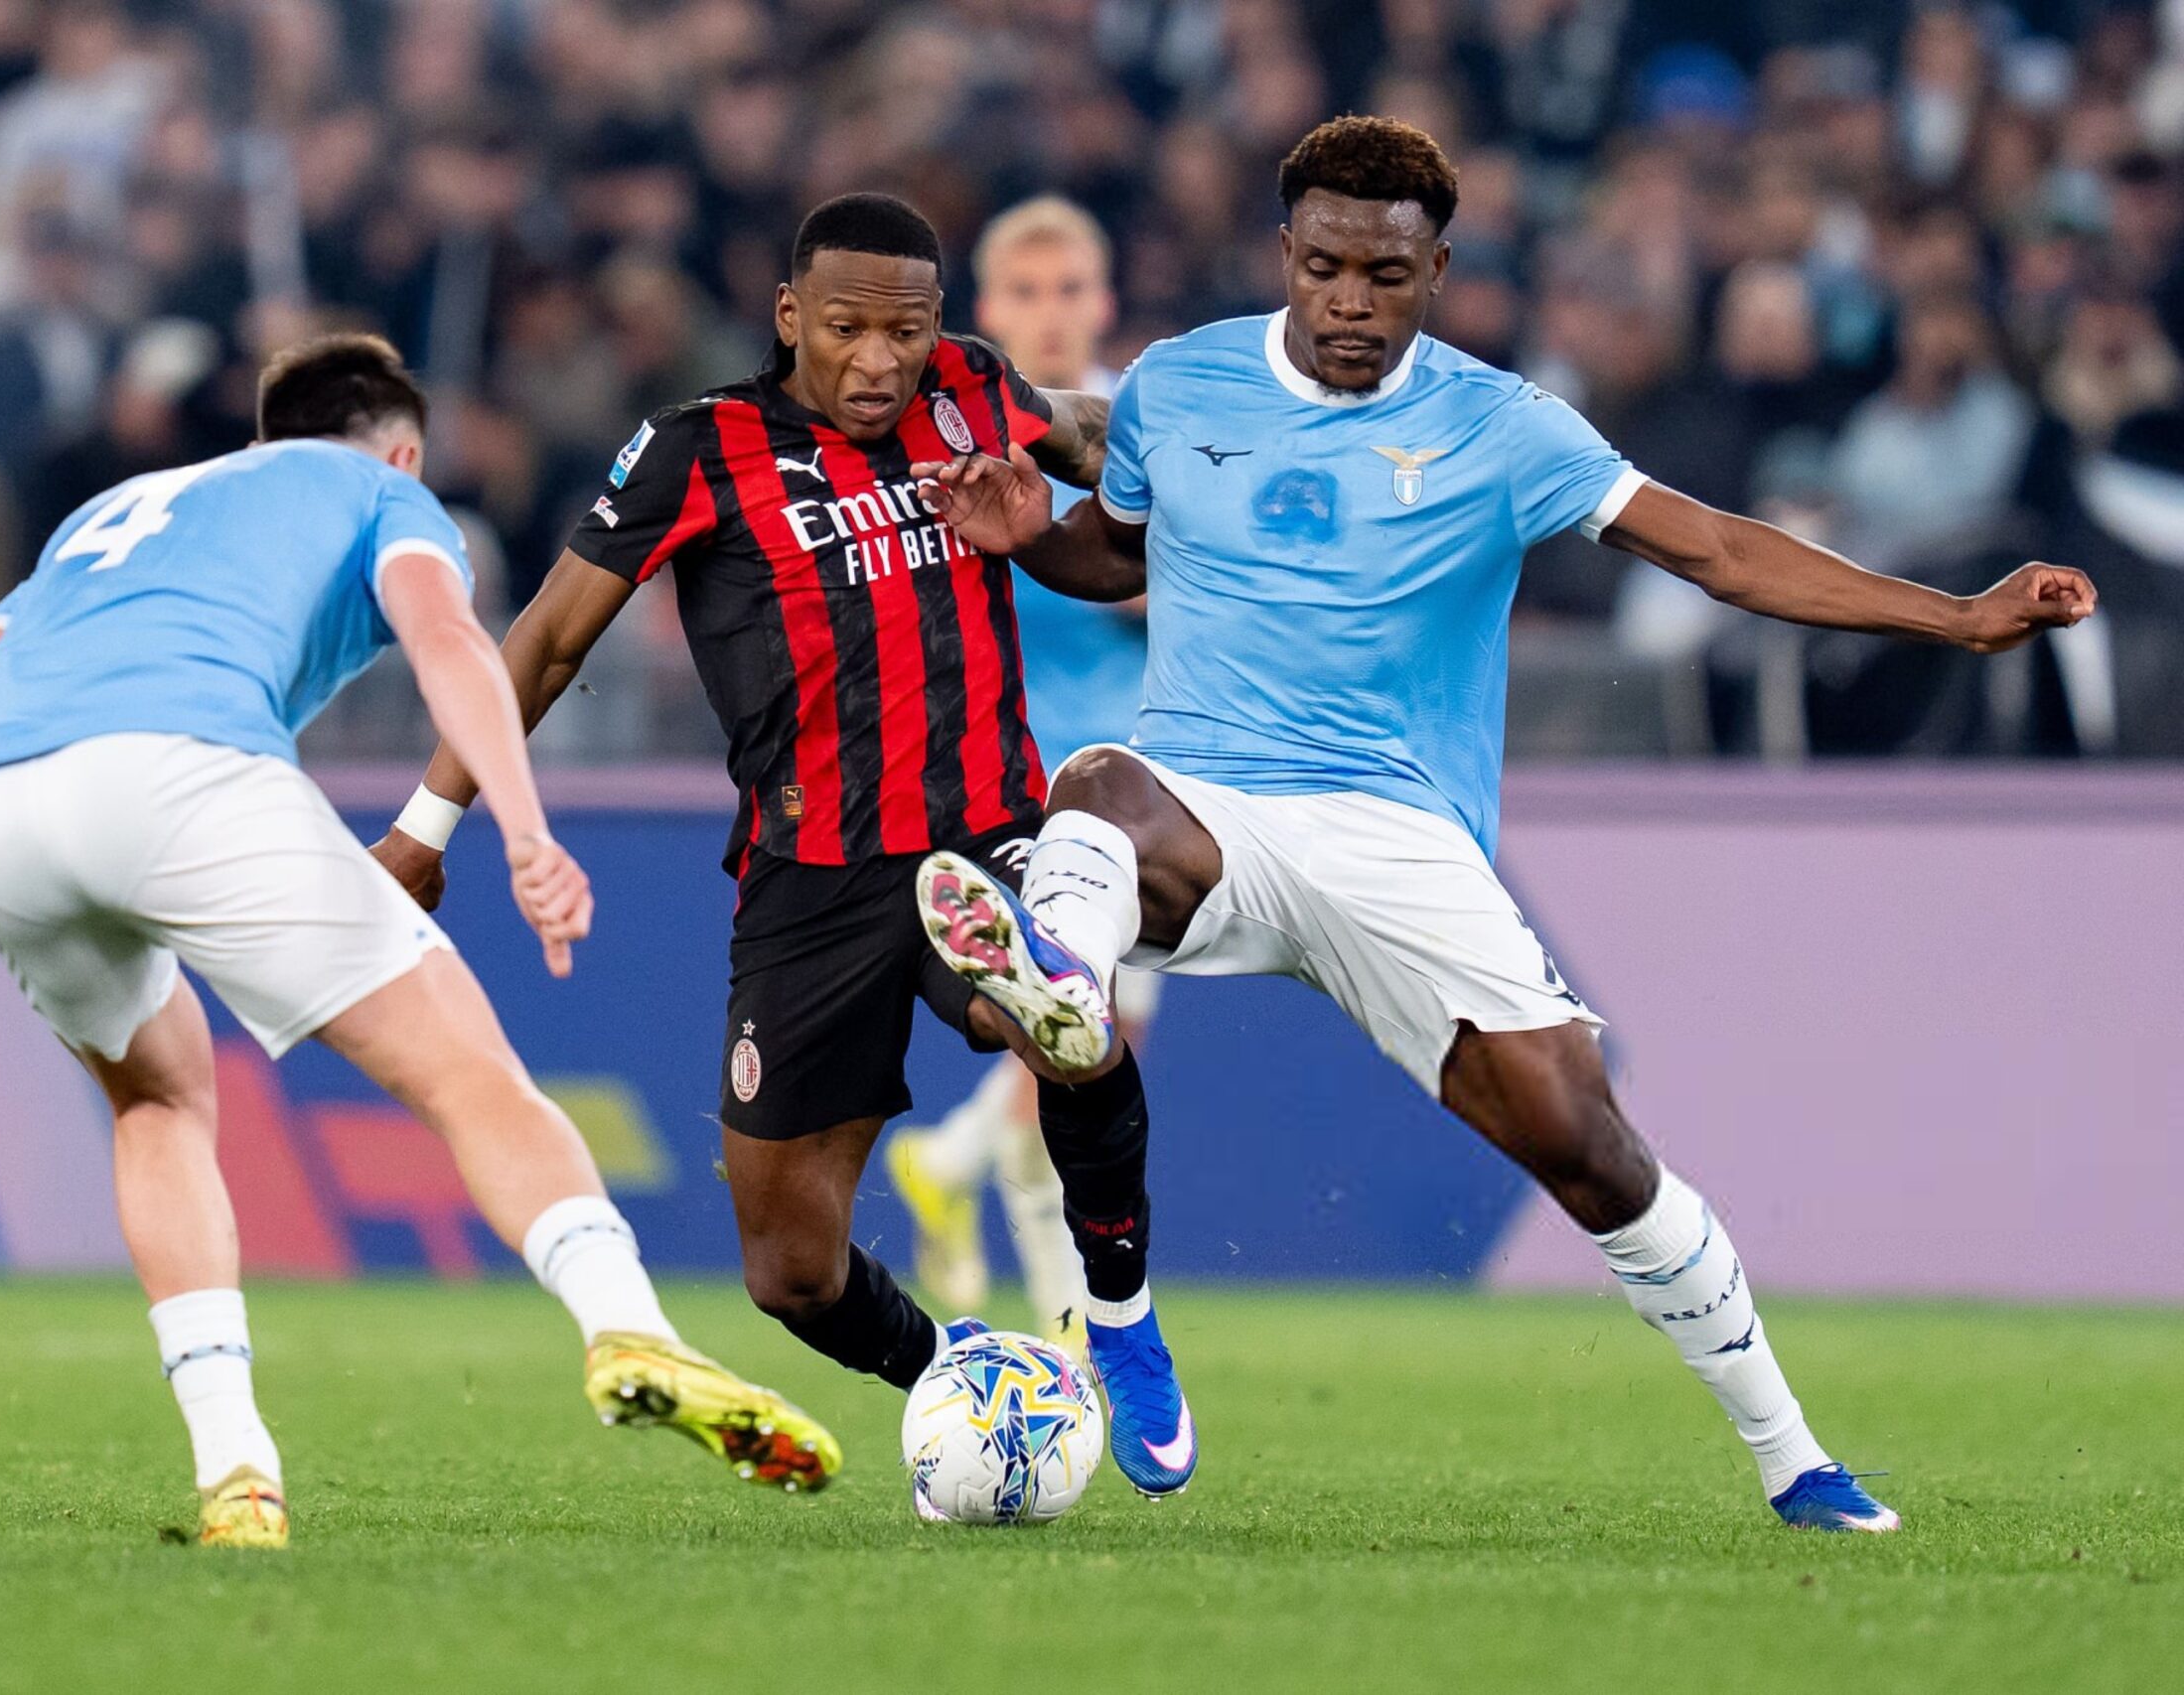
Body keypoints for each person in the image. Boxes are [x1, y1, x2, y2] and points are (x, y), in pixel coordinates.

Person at [910, 116, 2099, 1530]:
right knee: (1095, 785)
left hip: (1402, 839)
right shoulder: (1182, 381)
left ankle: (1796, 1456)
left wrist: (1955, 615)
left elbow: (1716, 548)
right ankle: (1104, 1234)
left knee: (1591, 1149)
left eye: (1389, 275)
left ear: (1440, 269)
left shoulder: (1502, 424)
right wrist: (1029, 529)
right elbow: (1120, 544)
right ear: (1286, 255)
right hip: (1207, 806)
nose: (1355, 301)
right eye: (1330, 266)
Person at [0, 334, 837, 1550]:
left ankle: (236, 1470)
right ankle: (629, 1330)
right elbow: (452, 644)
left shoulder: (107, 516)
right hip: (182, 769)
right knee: (469, 1077)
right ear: (401, 447)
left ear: (261, 439)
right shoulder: (384, 493)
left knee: (156, 1103)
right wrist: (519, 823)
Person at [368, 197, 1135, 1432]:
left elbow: (1097, 445)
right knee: (791, 1272)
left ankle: (1036, 1004)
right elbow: (549, 641)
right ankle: (960, 1372)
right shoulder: (699, 446)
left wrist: (1190, 461)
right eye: (846, 329)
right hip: (808, 876)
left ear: (941, 325)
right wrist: (425, 823)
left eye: (907, 331)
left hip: (979, 829)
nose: (880, 361)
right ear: (790, 317)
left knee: (1025, 1012)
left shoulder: (975, 392)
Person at [884, 197, 1144, 1351]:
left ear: (1103, 300)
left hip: (1143, 774)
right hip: (1013, 782)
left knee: (1089, 1036)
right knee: (1074, 1034)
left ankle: (953, 1162)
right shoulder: (946, 434)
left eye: (1069, 289)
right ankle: (1069, 1312)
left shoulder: (1141, 430)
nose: (1049, 314)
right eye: (1025, 294)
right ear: (986, 313)